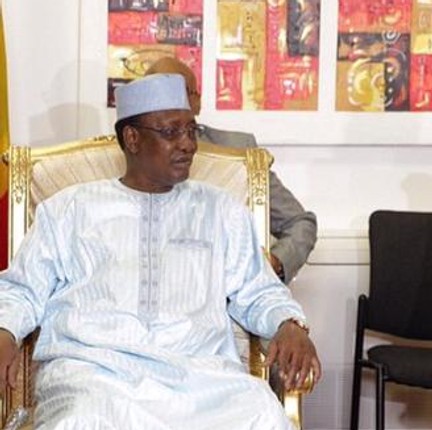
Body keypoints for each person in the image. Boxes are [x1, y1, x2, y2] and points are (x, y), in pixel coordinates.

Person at [0, 74, 320, 429]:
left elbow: (257, 290)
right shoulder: (69, 210)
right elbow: (22, 289)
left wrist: (289, 324)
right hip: (96, 373)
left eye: (191, 130)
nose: (187, 144)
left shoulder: (220, 211)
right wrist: (5, 330)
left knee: (263, 412)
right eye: (171, 132)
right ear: (132, 139)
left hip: (202, 379)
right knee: (83, 420)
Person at [145, 57, 316, 285]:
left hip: (226, 298)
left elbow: (300, 223)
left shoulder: (237, 152)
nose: (167, 100)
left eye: (178, 90)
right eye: (154, 91)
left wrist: (274, 264)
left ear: (196, 100)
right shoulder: (120, 153)